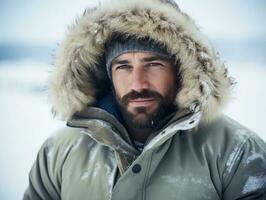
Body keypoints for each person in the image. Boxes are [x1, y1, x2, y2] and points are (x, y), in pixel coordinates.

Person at [24, 0, 266, 199]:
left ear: (181, 70)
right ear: (108, 75)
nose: (138, 83)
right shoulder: (59, 151)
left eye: (153, 64)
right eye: (123, 67)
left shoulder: (235, 150)